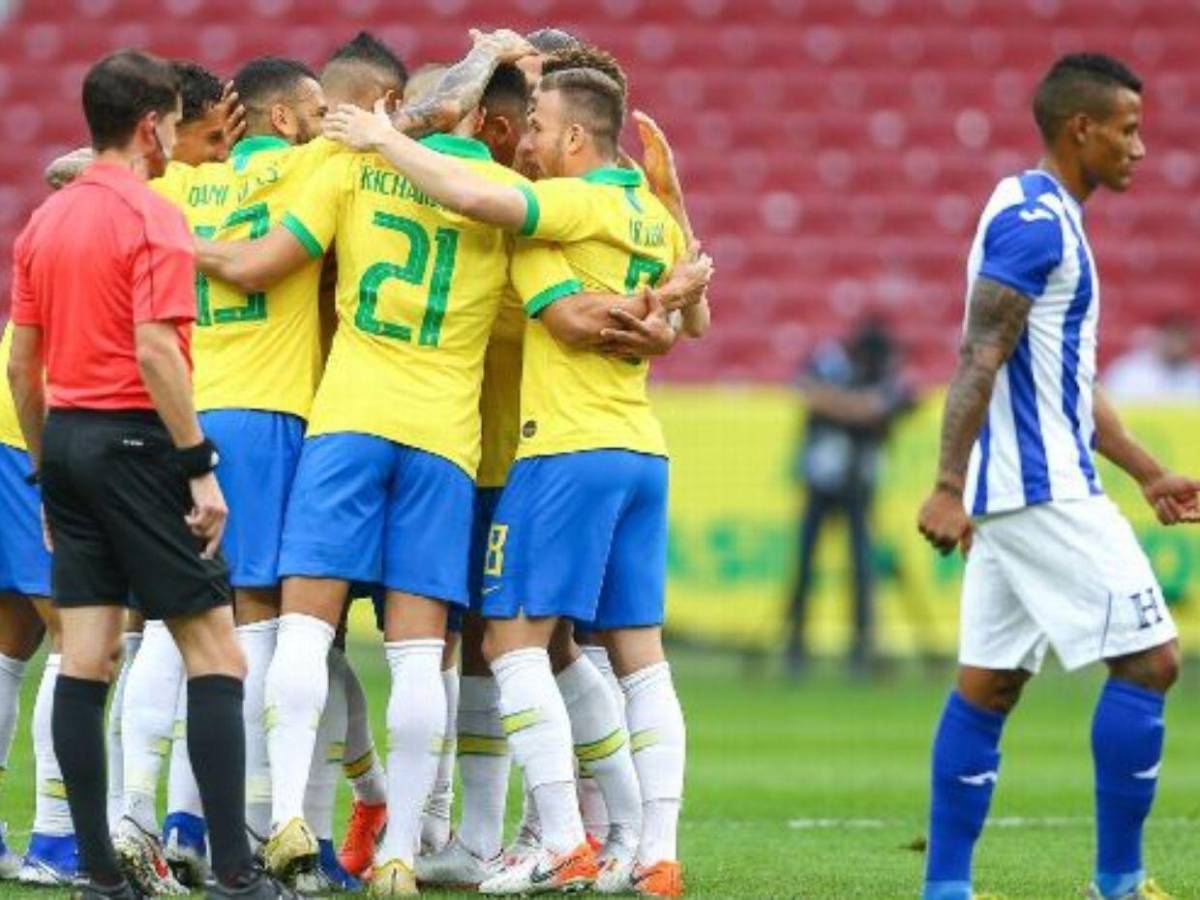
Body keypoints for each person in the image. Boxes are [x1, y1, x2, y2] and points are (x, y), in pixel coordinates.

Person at [323, 58, 711, 896]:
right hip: (638, 448)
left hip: (553, 451)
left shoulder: (561, 209)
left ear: (573, 137)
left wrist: (383, 137)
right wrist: (668, 290)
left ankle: (562, 839)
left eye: (537, 127)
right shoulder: (645, 210)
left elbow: (533, 271)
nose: (525, 141)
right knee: (635, 657)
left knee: (507, 642)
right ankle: (651, 851)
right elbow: (697, 320)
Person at [6, 49, 294, 900]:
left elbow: (23, 365)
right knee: (217, 651)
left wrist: (44, 472)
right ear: (147, 126)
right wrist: (198, 466)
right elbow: (157, 349)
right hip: (136, 440)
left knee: (86, 655)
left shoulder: (46, 221)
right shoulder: (153, 216)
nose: (174, 136)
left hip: (65, 441)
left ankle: (100, 874)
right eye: (171, 120)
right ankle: (236, 873)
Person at [915, 53, 1200, 900]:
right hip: (1041, 490)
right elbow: (980, 352)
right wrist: (945, 483)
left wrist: (1146, 470)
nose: (1138, 148)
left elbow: (1060, 376)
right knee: (1152, 661)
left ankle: (946, 889)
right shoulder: (1038, 226)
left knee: (990, 684)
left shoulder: (1035, 210)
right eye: (1127, 129)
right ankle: (1120, 884)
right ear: (1082, 128)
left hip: (1014, 491)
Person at [785, 321, 915, 675]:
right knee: (805, 566)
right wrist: (860, 409)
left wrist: (841, 406)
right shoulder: (832, 361)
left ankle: (861, 646)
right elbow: (808, 390)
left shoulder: (884, 370)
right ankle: (795, 645)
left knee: (862, 568)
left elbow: (902, 401)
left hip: (860, 482)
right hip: (822, 477)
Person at [1105, 315, 1200, 403]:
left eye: (1182, 340)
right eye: (1173, 338)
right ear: (1160, 338)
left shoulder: (1195, 375)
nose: (1177, 347)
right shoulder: (1130, 370)